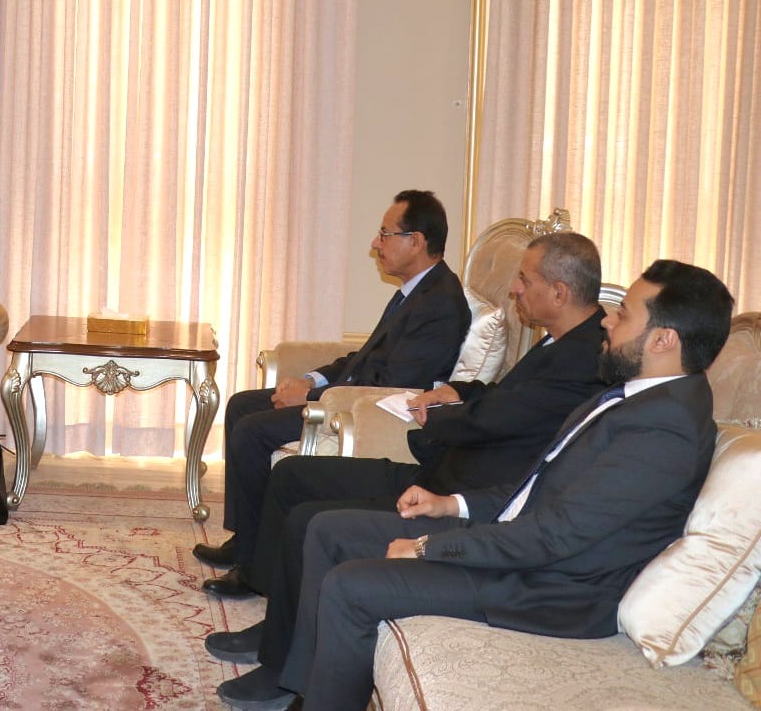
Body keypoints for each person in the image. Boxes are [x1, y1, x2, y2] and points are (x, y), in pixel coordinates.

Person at [266, 259, 729, 711]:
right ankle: (306, 691)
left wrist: (428, 547)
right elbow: (540, 485)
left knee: (351, 586)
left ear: (664, 339)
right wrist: (452, 505)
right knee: (329, 530)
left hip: (547, 586)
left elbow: (556, 536)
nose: (608, 320)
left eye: (624, 314)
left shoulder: (665, 429)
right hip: (519, 548)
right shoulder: (642, 398)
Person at [210, 231, 609, 708]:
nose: (515, 289)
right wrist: (460, 392)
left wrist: (439, 417)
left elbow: (501, 419)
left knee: (309, 521)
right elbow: (509, 400)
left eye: (524, 279)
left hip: (462, 492)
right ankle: (278, 629)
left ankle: (284, 672)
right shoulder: (559, 342)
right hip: (443, 472)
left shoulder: (584, 357)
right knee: (292, 477)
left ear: (559, 292)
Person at [197, 190, 472, 581]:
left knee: (252, 430)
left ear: (416, 241)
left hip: (364, 412)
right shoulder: (416, 292)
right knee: (241, 404)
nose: (375, 243)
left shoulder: (439, 303)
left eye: (385, 234)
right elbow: (365, 358)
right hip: (343, 395)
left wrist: (311, 397)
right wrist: (311, 379)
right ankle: (246, 540)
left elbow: (397, 384)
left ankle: (254, 568)